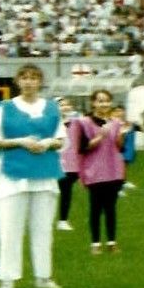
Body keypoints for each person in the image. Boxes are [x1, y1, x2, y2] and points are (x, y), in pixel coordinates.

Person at [0, 64, 64, 288]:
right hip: (12, 175)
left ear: (40, 82)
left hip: (45, 173)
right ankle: (7, 279)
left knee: (43, 230)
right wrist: (20, 142)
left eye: (34, 78)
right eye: (24, 78)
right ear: (17, 81)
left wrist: (47, 143)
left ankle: (43, 276)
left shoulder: (51, 108)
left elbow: (60, 139)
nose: (29, 82)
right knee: (9, 230)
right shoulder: (5, 108)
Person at [71, 89, 127, 255]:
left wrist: (121, 135)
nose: (104, 104)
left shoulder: (115, 123)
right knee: (96, 208)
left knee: (111, 208)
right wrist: (100, 136)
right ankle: (95, 243)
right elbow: (82, 148)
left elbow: (120, 147)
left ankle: (111, 242)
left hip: (114, 170)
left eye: (107, 101)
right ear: (93, 103)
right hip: (94, 171)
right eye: (100, 101)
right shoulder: (84, 123)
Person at [55, 98, 81, 232]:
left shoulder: (77, 122)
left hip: (72, 163)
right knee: (51, 192)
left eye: (68, 105)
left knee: (66, 192)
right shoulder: (52, 122)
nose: (65, 107)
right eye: (62, 105)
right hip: (54, 162)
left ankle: (63, 220)